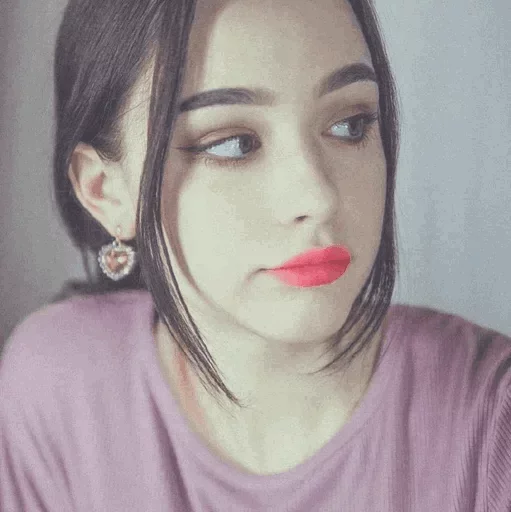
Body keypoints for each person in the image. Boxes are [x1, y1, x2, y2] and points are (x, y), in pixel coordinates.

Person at [1, 0, 510, 510]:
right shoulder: (56, 386)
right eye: (233, 144)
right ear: (105, 192)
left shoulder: (490, 421)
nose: (318, 197)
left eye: (351, 125)